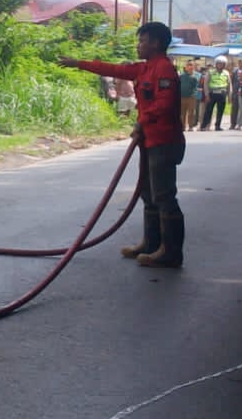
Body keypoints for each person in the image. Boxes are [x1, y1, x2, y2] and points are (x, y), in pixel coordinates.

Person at [58, 21, 186, 268]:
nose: (138, 46)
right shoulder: (144, 69)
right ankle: (151, 244)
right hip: (149, 141)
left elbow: (164, 105)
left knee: (164, 196)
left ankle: (171, 252)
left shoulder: (164, 70)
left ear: (156, 43)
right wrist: (79, 64)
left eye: (142, 41)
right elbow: (114, 69)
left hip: (164, 141)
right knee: (148, 193)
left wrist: (142, 122)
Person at [201, 57, 229, 131]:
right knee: (208, 110)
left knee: (220, 110)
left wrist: (230, 95)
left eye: (222, 64)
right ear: (216, 64)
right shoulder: (210, 72)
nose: (220, 65)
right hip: (212, 93)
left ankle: (218, 126)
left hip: (222, 93)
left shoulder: (226, 73)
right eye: (219, 63)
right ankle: (204, 126)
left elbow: (229, 84)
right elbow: (206, 84)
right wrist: (207, 94)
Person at [178, 61, 198, 131]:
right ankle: (182, 127)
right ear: (186, 67)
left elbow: (195, 88)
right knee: (182, 113)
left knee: (191, 113)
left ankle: (190, 126)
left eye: (191, 65)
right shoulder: (181, 76)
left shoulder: (195, 77)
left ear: (194, 67)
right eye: (188, 65)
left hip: (191, 97)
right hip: (181, 97)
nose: (190, 67)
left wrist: (194, 94)